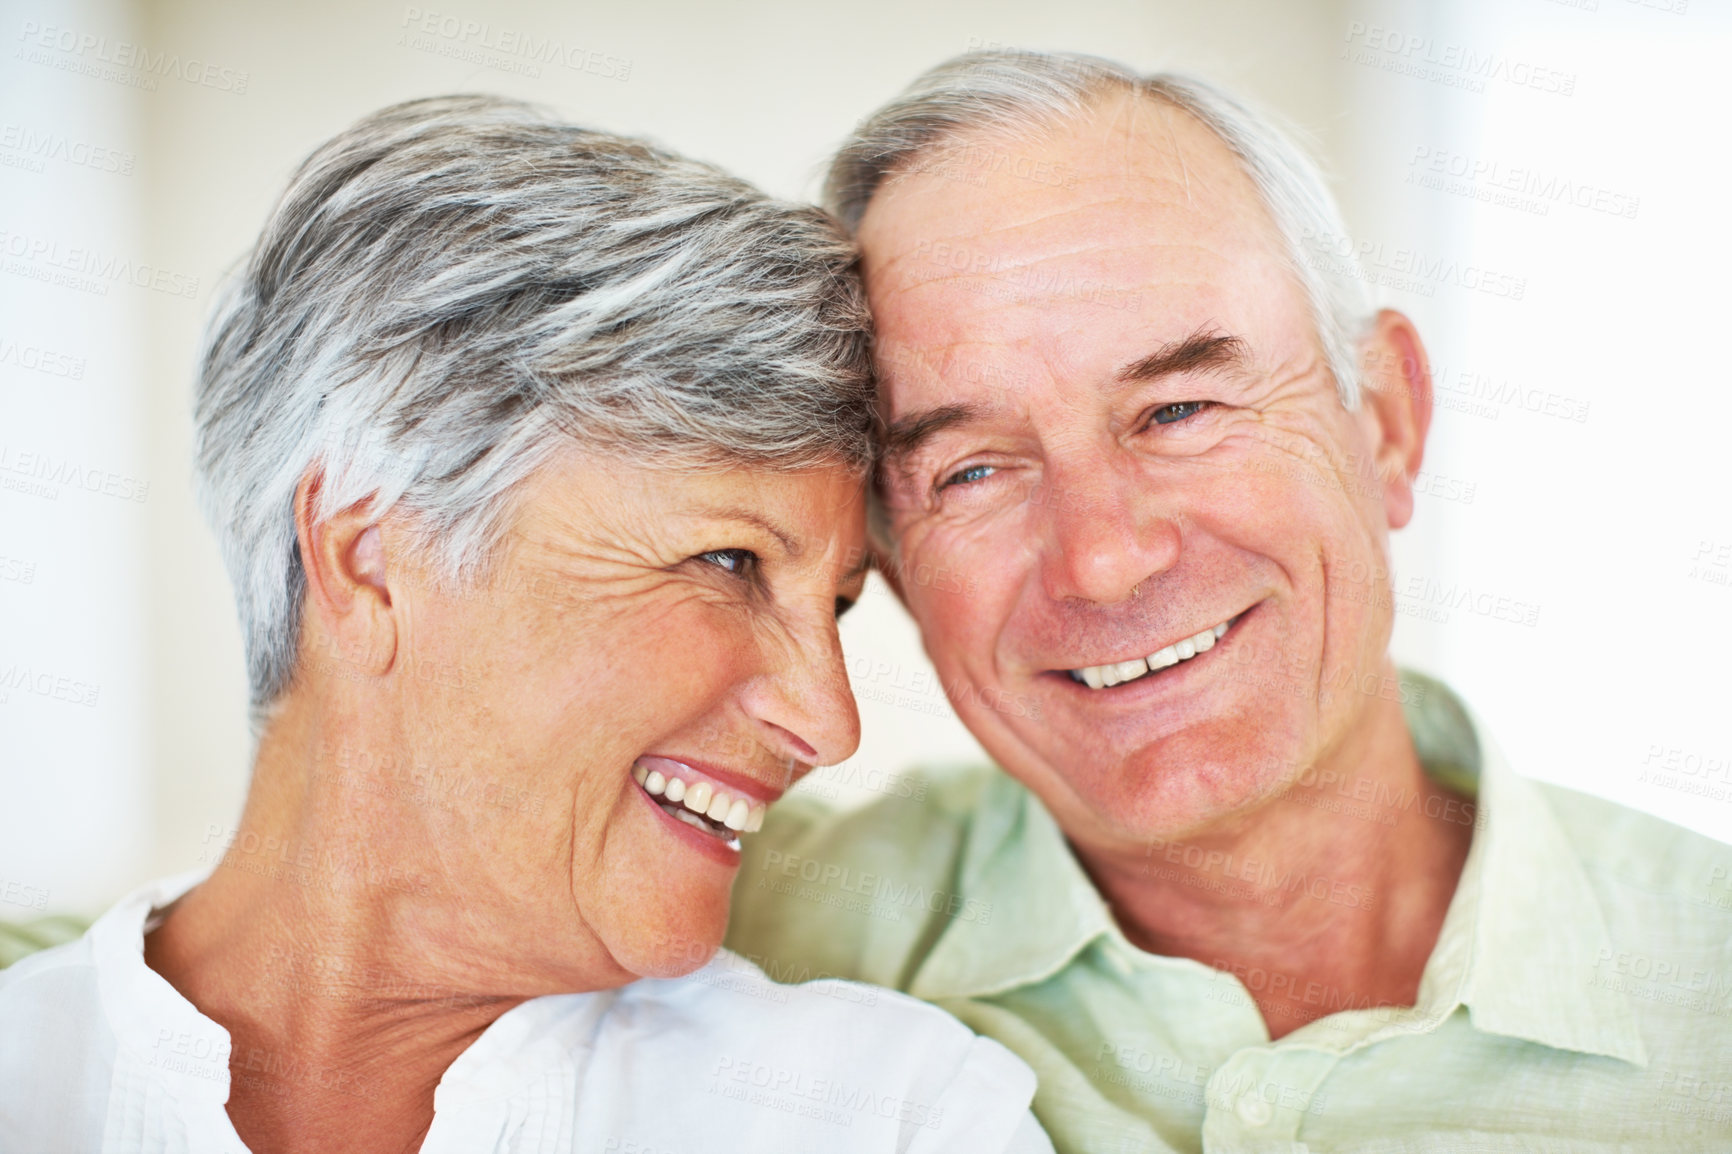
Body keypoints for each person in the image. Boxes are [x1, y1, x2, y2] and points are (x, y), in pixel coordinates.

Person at [0, 96, 1051, 1154]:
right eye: (728, 562)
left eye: (835, 605)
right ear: (370, 563)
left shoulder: (895, 1117)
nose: (829, 723)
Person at [726, 51, 1732, 1152]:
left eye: (1178, 409)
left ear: (1385, 418)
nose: (1103, 559)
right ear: (887, 558)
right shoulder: (721, 947)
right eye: (972, 469)